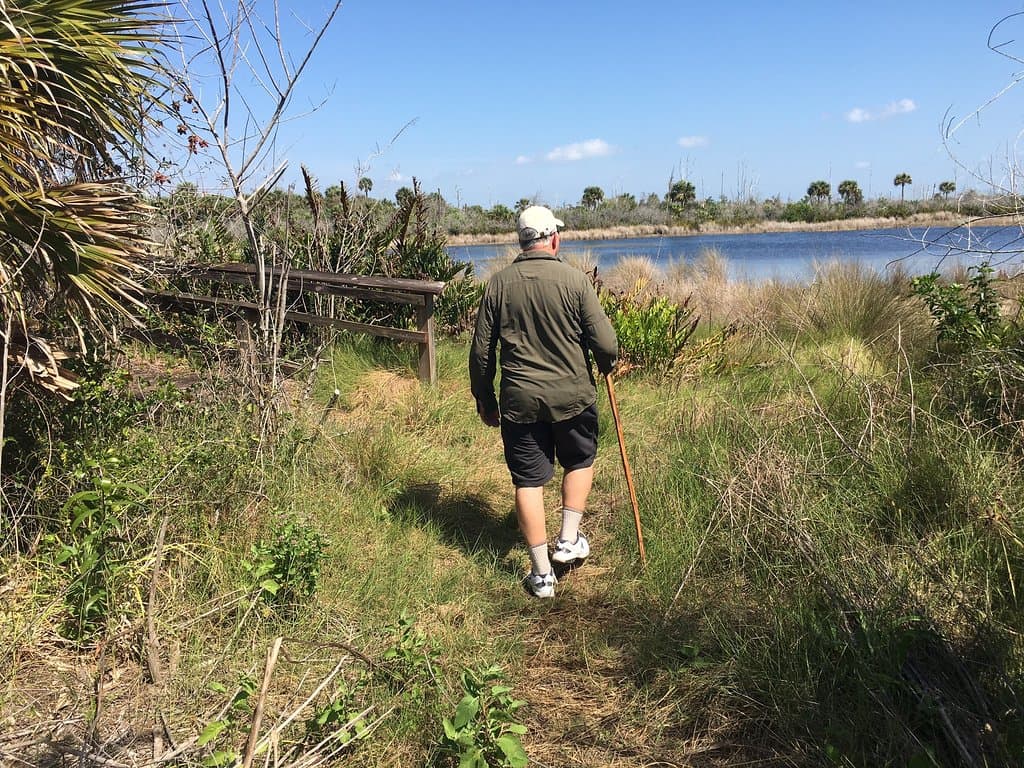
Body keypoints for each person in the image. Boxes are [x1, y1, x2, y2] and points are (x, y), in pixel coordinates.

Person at [469, 205, 618, 598]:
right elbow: (604, 342)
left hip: (520, 403)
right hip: (573, 396)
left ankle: (541, 575)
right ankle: (568, 541)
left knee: (528, 481)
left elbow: (482, 353)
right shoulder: (575, 281)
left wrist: (485, 399)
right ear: (554, 238)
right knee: (580, 460)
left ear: (521, 241)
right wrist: (607, 364)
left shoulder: (498, 285)